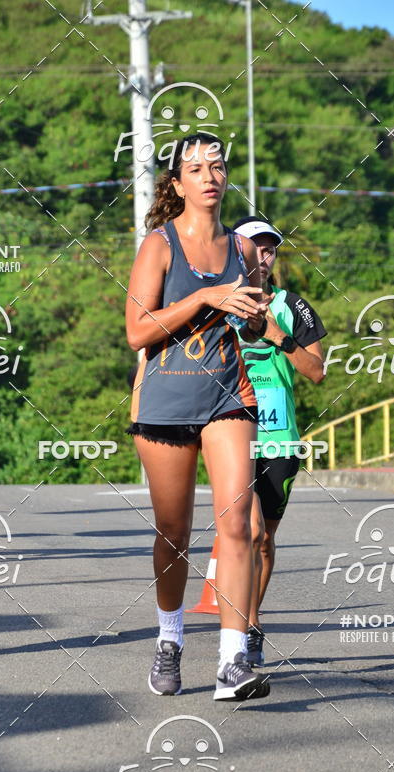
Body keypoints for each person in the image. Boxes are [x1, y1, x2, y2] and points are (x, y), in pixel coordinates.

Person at [126, 132, 272, 701]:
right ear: (178, 182)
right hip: (165, 402)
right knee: (175, 533)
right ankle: (170, 636)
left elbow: (254, 323)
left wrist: (252, 311)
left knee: (237, 523)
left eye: (217, 165)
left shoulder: (241, 248)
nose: (209, 174)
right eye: (196, 167)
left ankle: (233, 661)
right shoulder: (158, 245)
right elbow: (138, 330)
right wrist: (204, 299)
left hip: (227, 399)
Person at [232, 216, 327, 666]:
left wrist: (277, 336)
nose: (264, 257)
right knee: (247, 533)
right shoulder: (220, 303)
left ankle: (251, 623)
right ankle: (242, 630)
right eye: (255, 248)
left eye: (270, 249)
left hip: (280, 440)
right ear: (238, 251)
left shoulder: (295, 307)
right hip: (231, 433)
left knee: (265, 541)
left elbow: (316, 371)